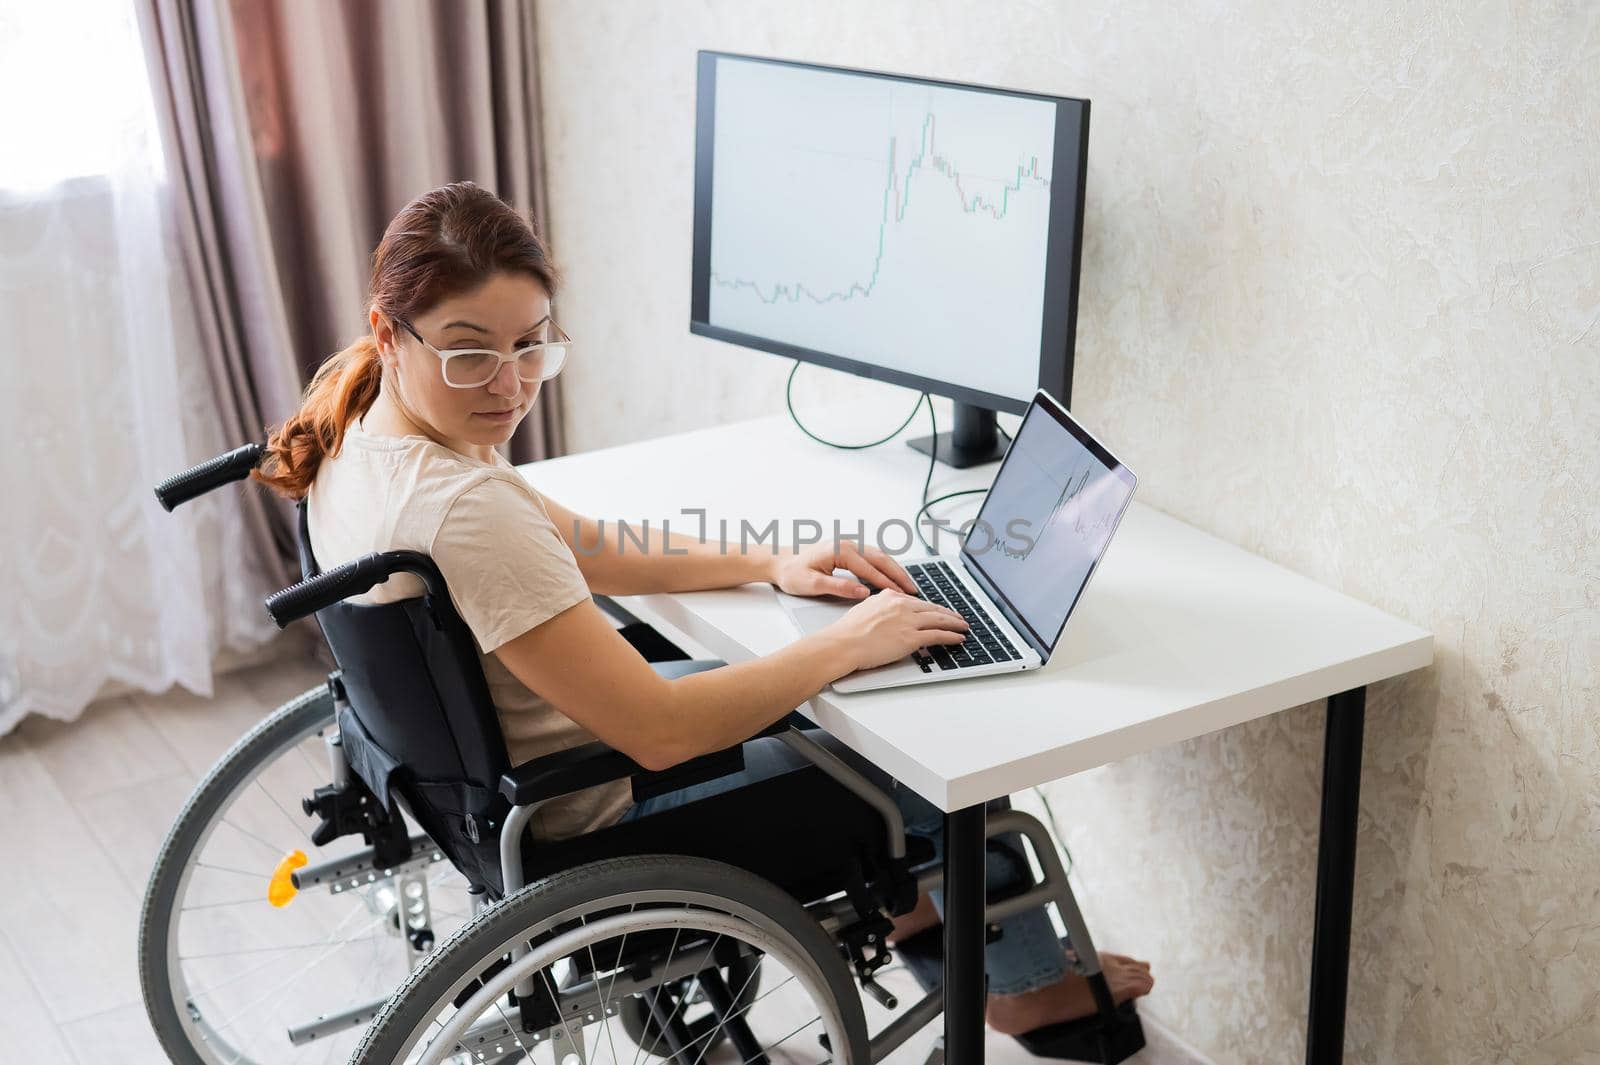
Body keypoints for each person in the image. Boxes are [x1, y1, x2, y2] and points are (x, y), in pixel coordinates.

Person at [253, 181, 1152, 1046]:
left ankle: (932, 921)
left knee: (850, 707)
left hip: (511, 788)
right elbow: (662, 732)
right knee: (941, 757)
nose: (508, 384)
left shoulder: (375, 425)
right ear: (391, 332)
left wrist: (769, 560)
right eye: (471, 352)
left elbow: (581, 542)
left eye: (531, 346)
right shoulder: (459, 506)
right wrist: (846, 643)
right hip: (599, 815)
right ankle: (1027, 995)